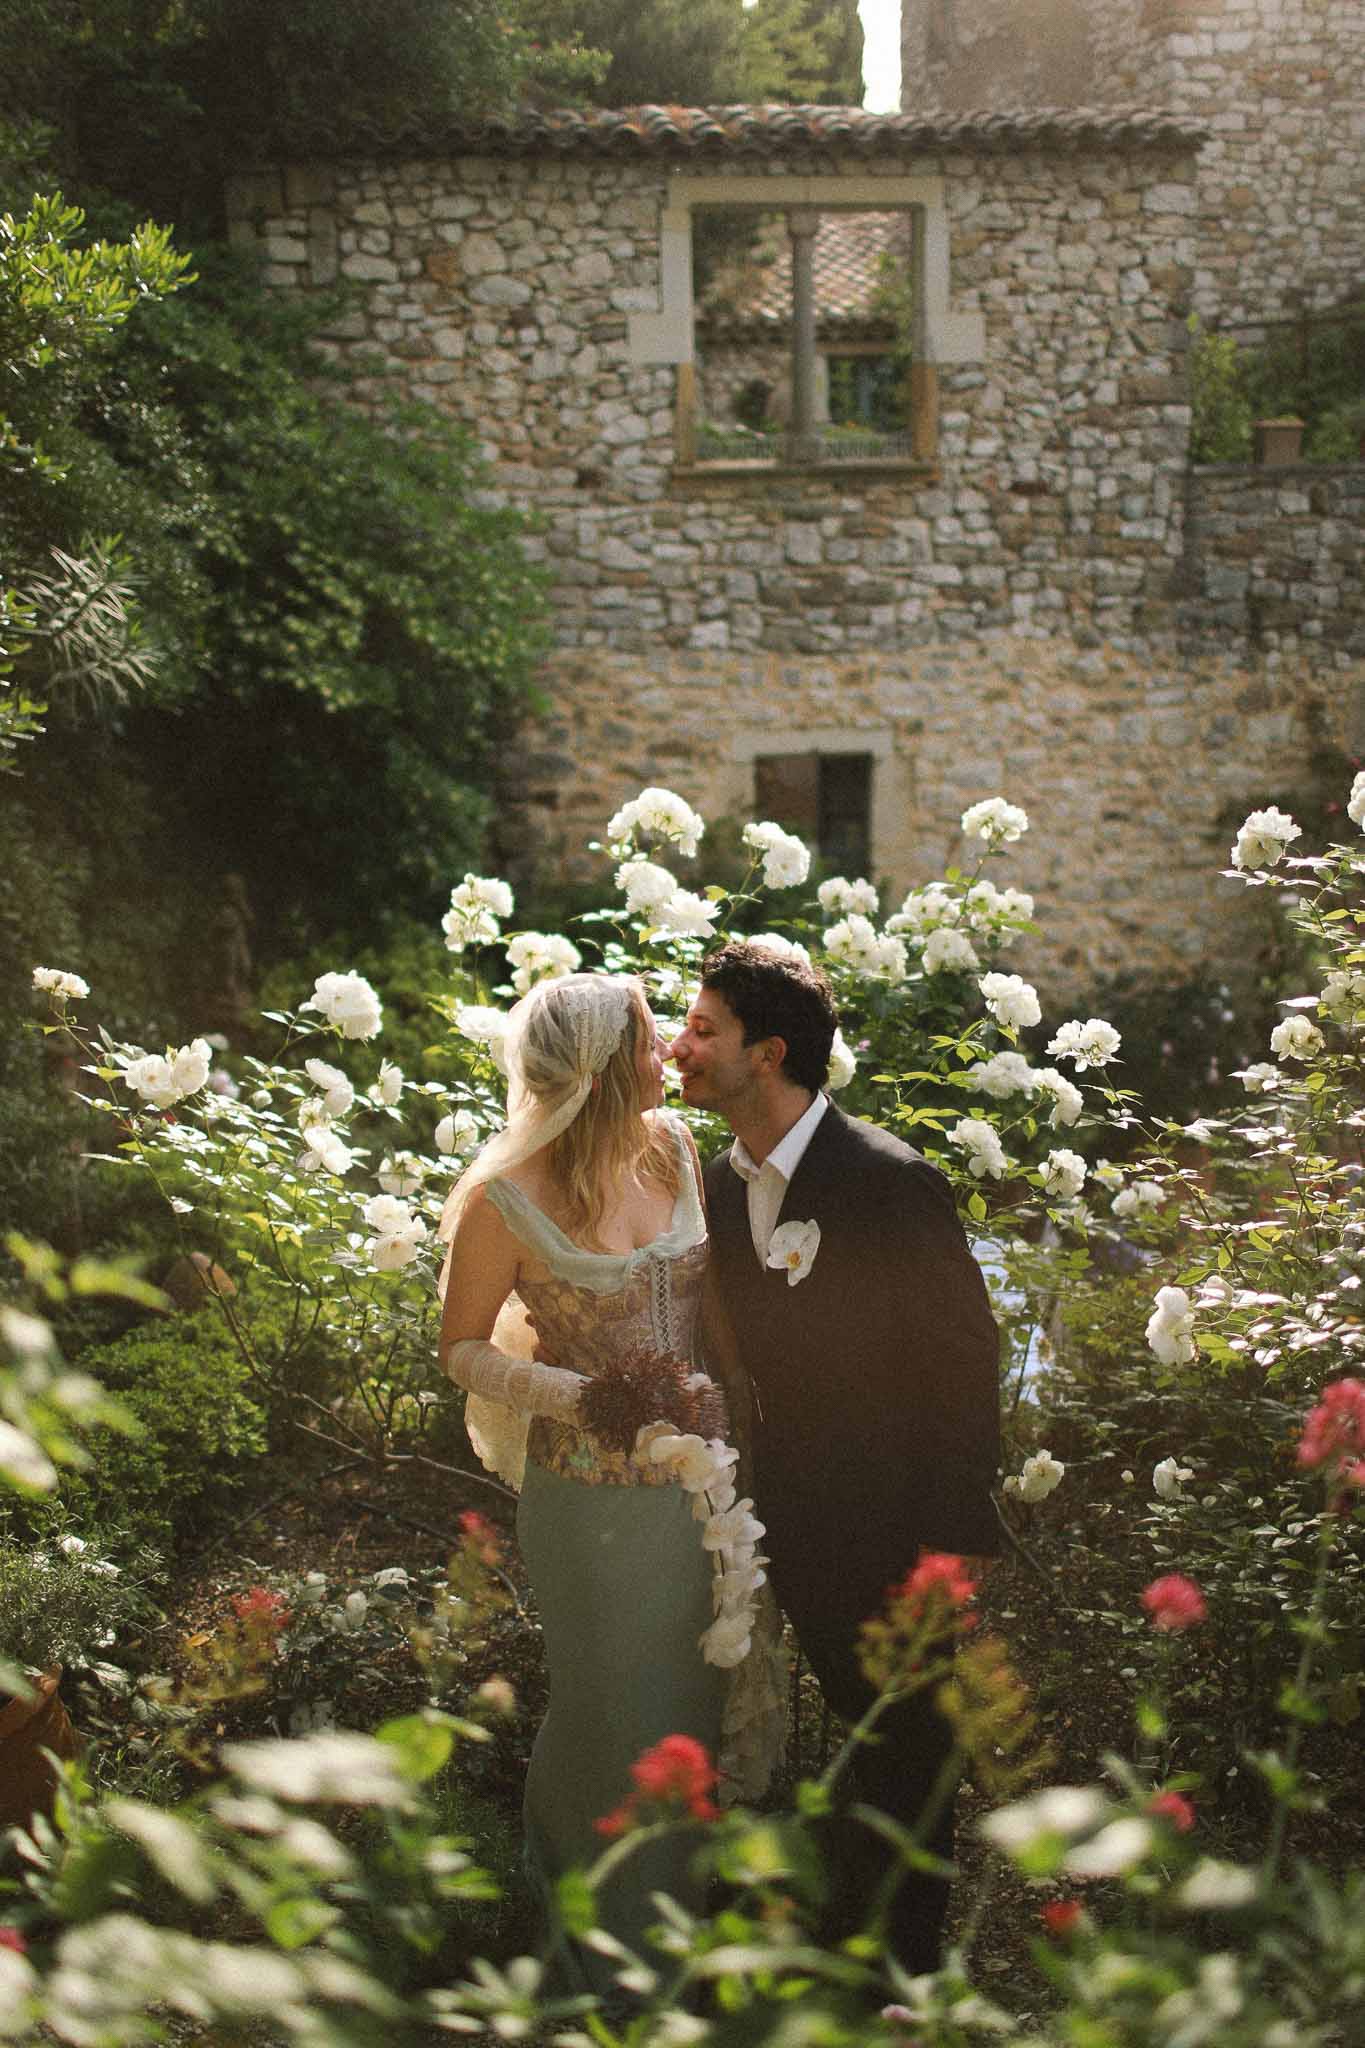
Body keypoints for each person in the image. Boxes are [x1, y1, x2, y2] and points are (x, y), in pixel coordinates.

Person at [670, 939, 1001, 1975]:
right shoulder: (717, 1189)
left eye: (703, 1029)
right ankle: (842, 1936)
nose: (682, 1049)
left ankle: (907, 1973)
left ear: (766, 1055)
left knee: (911, 1754)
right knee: (852, 1745)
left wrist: (951, 1542)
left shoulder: (890, 1181)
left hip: (899, 1529)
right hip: (793, 1521)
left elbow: (965, 1358)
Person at [437, 972, 731, 1989]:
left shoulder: (677, 1149)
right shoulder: (503, 1199)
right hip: (587, 1502)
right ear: (605, 1070)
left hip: (700, 1496)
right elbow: (463, 1350)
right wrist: (587, 1395)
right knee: (611, 1710)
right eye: (654, 1043)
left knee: (689, 1707)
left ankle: (675, 1930)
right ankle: (591, 1941)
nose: (670, 1058)